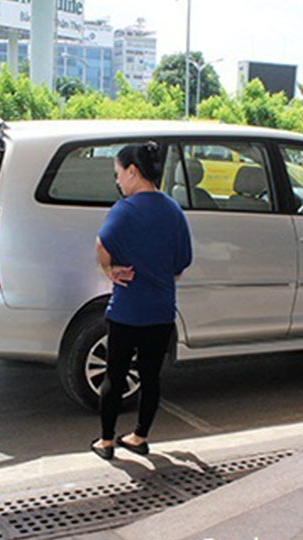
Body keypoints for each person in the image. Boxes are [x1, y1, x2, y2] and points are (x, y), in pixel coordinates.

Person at [90, 141, 192, 460]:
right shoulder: (173, 210)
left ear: (133, 172)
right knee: (150, 378)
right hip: (161, 312)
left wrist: (109, 271)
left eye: (118, 173)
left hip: (127, 311)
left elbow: (100, 248)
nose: (118, 181)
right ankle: (139, 437)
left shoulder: (125, 209)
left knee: (115, 375)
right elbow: (181, 265)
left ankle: (106, 442)